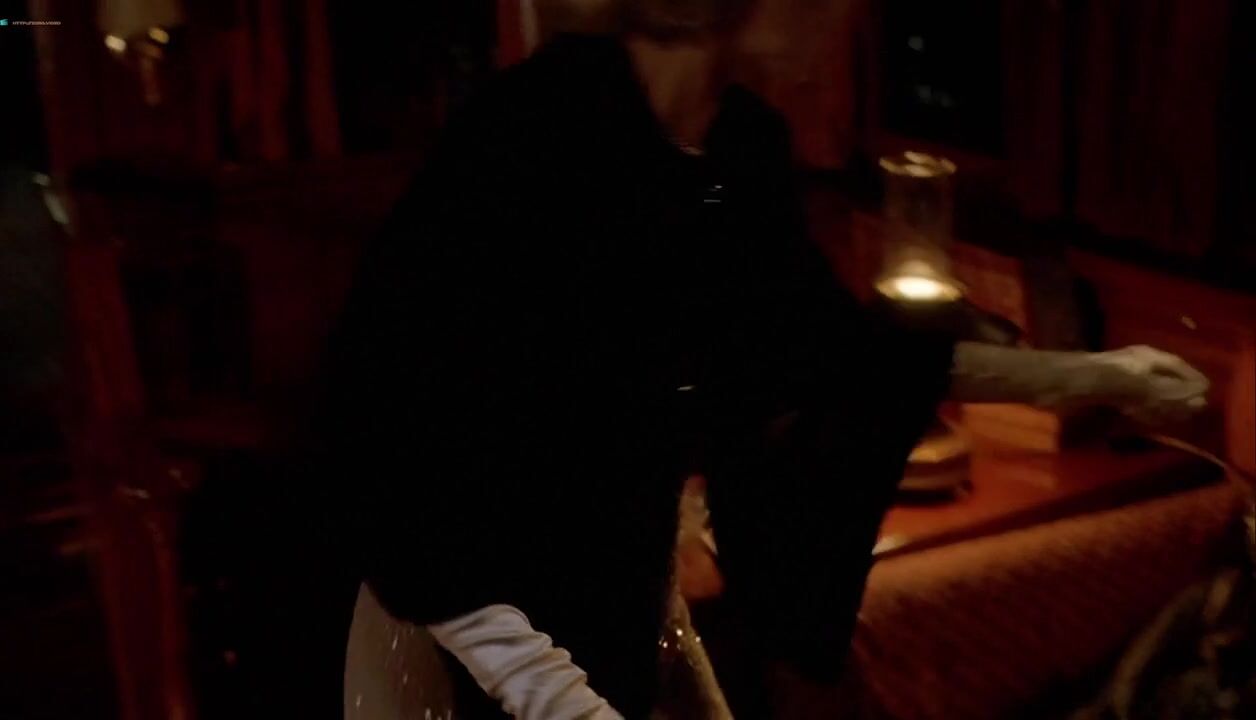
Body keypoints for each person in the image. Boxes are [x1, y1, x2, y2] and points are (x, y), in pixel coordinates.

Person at [312, 1, 1210, 717]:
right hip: (456, 632)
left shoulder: (740, 152)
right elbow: (405, 457)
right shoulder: (530, 135)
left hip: (618, 608)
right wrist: (550, 693)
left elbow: (844, 355)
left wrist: (1098, 376)